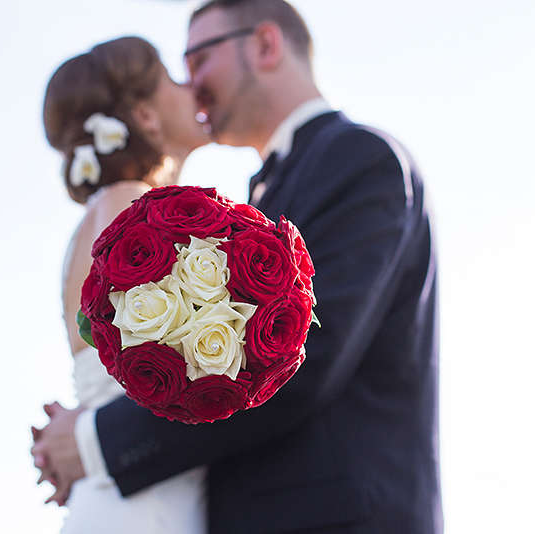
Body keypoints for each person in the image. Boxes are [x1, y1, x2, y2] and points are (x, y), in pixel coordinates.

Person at [34, 1, 442, 532]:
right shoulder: (238, 203)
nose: (192, 83)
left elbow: (301, 355)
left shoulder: (358, 157)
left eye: (199, 59)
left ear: (265, 46)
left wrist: (95, 440)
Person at [32, 36, 209, 533]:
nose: (189, 84)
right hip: (144, 502)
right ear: (145, 115)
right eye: (172, 79)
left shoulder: (109, 205)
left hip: (134, 485)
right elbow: (160, 350)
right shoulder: (129, 204)